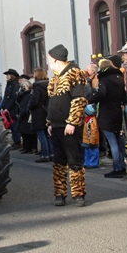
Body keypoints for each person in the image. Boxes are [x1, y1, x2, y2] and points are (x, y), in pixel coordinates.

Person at [46, 44, 88, 207]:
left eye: (49, 59)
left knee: (74, 160)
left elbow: (79, 99)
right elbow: (51, 102)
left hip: (69, 125)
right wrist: (50, 121)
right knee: (59, 162)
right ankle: (60, 194)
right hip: (56, 126)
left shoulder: (74, 73)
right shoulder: (55, 77)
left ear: (55, 59)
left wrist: (72, 122)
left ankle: (79, 194)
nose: (48, 62)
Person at [88, 59, 127, 178]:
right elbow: (124, 96)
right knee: (118, 138)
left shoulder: (103, 79)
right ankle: (122, 165)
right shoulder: (119, 78)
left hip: (107, 112)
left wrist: (92, 99)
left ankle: (117, 167)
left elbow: (101, 93)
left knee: (112, 140)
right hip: (117, 111)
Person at [29, 68, 53, 163]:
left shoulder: (37, 86)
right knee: (48, 134)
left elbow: (35, 100)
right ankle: (51, 154)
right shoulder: (49, 85)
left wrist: (30, 107)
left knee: (41, 135)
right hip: (48, 111)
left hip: (39, 113)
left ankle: (45, 155)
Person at [1, 69, 21, 150]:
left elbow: (13, 98)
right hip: (8, 108)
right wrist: (2, 107)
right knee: (12, 126)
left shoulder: (15, 85)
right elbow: (5, 97)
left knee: (15, 125)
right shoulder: (9, 84)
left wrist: (7, 108)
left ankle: (18, 141)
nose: (7, 76)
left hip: (13, 109)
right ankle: (15, 141)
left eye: (8, 75)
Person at [17, 80, 37, 154]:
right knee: (24, 133)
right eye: (22, 87)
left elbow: (28, 104)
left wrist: (23, 112)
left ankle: (33, 147)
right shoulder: (22, 95)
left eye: (25, 86)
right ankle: (26, 147)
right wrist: (20, 93)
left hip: (27, 115)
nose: (23, 88)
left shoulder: (30, 94)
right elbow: (18, 101)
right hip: (22, 115)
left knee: (30, 133)